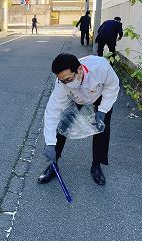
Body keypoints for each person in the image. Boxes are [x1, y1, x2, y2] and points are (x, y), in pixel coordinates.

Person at [38, 53, 119, 185]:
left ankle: (96, 166)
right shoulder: (62, 84)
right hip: (76, 98)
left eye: (69, 80)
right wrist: (50, 143)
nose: (66, 83)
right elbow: (52, 113)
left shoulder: (100, 67)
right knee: (62, 125)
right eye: (62, 81)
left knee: (101, 129)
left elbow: (112, 85)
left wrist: (103, 110)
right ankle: (53, 164)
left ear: (79, 70)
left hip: (99, 97)